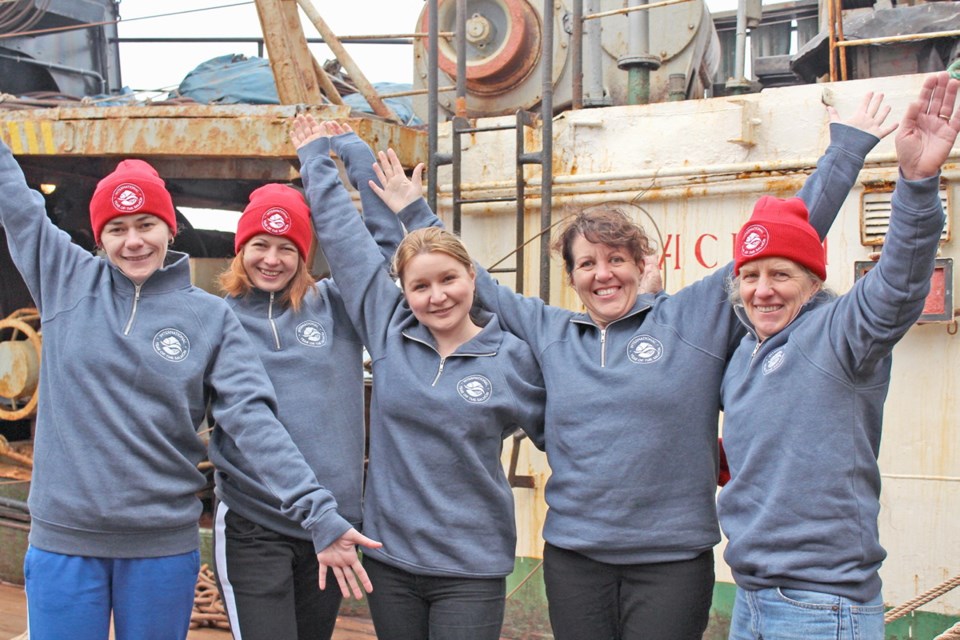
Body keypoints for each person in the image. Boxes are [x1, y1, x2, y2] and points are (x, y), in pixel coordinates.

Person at [368, 93, 898, 638]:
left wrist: (846, 152)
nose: (604, 275)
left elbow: (787, 234)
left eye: (617, 259)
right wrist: (413, 212)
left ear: (642, 264)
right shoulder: (550, 331)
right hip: (575, 559)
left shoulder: (690, 320)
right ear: (570, 276)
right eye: (587, 264)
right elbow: (467, 277)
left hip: (670, 561)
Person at [0, 146, 379, 640]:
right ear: (99, 237)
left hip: (161, 548)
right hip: (64, 541)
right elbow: (16, 201)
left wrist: (318, 511)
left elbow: (253, 420)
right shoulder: (64, 279)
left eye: (146, 225)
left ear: (170, 228)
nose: (133, 242)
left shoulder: (211, 317)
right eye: (117, 229)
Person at [719, 71, 958, 640]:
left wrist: (916, 183)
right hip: (750, 597)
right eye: (749, 276)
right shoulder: (745, 351)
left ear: (811, 281)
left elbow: (898, 285)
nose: (763, 289)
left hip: (821, 608)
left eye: (780, 274)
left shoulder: (840, 333)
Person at [290, 115, 547, 640]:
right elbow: (347, 241)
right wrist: (326, 156)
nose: (438, 296)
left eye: (449, 279)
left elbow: (571, 437)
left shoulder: (514, 358)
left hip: (470, 569)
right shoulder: (390, 332)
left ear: (473, 277)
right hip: (392, 561)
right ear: (403, 292)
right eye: (421, 287)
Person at [211, 124, 405, 640]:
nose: (271, 259)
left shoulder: (338, 306)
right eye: (259, 244)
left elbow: (385, 247)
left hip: (334, 526)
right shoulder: (214, 319)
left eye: (286, 246)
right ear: (240, 249)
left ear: (304, 254)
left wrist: (347, 153)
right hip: (255, 524)